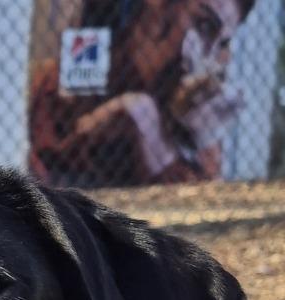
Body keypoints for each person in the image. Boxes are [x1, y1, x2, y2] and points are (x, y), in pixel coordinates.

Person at [29, 0, 254, 186]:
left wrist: (147, 125)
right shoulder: (76, 73)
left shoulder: (194, 110)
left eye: (222, 43)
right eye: (203, 25)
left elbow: (202, 204)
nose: (207, 53)